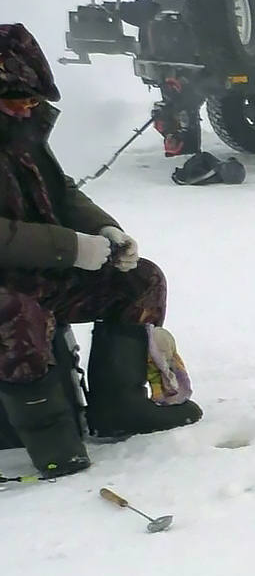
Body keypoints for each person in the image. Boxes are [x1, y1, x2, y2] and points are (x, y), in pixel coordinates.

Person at [0, 25, 199, 478]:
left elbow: (61, 193)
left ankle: (120, 408)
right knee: (14, 314)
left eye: (32, 101)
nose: (26, 110)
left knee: (138, 281)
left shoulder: (20, 135)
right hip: (10, 292)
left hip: (30, 272)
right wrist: (70, 247)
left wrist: (104, 231)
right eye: (15, 100)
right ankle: (54, 446)